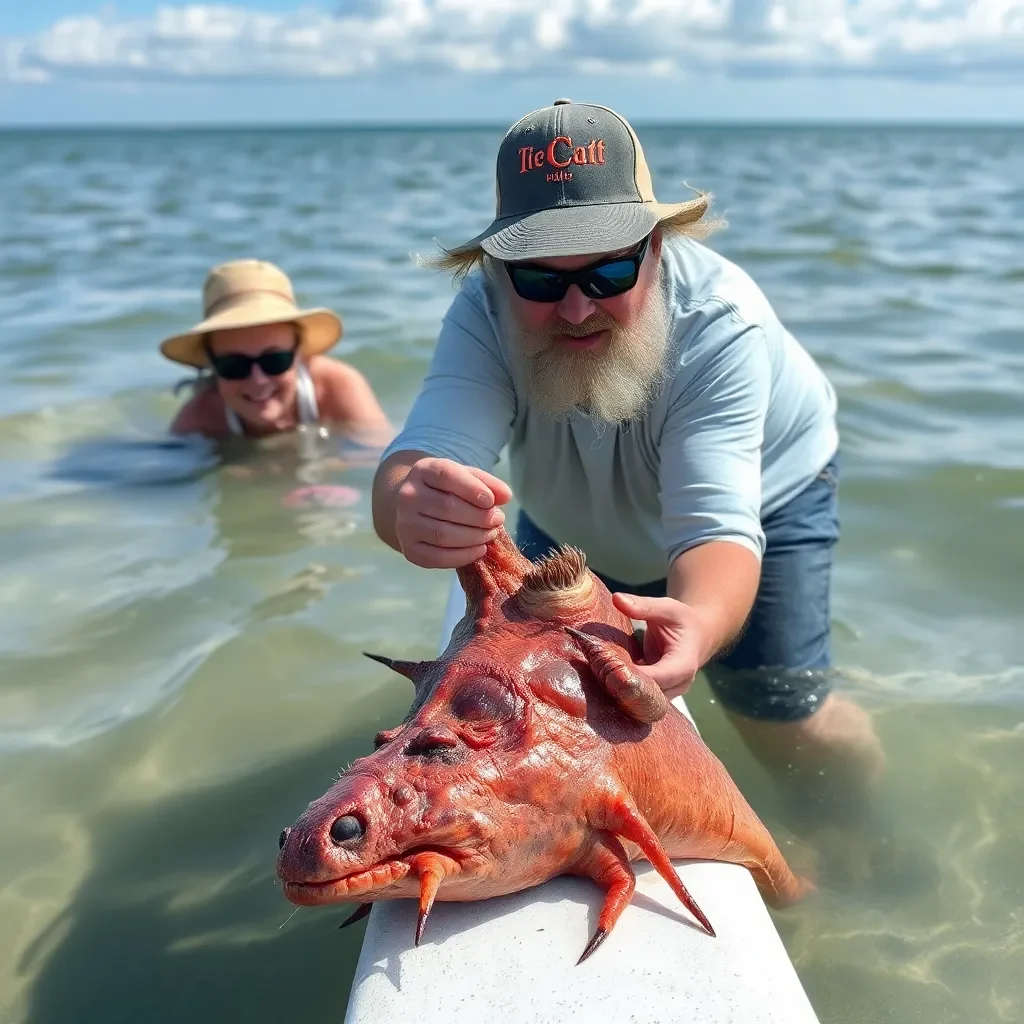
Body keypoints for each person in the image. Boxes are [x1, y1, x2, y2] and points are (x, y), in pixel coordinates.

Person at [371, 98, 886, 823]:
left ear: (657, 246)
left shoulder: (721, 324)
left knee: (780, 712)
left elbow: (717, 526)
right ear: (498, 269)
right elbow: (417, 458)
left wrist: (699, 624)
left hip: (768, 495)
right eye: (542, 281)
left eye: (609, 272)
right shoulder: (483, 310)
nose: (577, 308)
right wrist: (408, 507)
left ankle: (857, 823)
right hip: (566, 516)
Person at [162, 259, 391, 442]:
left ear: (300, 352)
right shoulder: (200, 418)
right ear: (212, 364)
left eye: (275, 360)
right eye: (234, 366)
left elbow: (385, 461)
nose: (258, 380)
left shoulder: (337, 386)